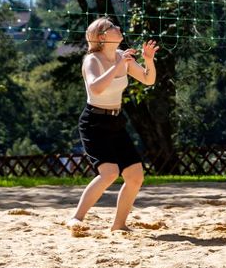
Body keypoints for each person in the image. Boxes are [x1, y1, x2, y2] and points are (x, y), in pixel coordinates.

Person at [67, 17, 158, 233]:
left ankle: (119, 225)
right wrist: (119, 65)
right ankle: (76, 218)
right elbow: (96, 88)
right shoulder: (92, 60)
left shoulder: (121, 56)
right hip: (94, 122)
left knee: (135, 176)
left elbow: (148, 79)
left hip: (116, 120)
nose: (118, 28)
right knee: (109, 173)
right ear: (102, 37)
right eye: (112, 27)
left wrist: (149, 59)